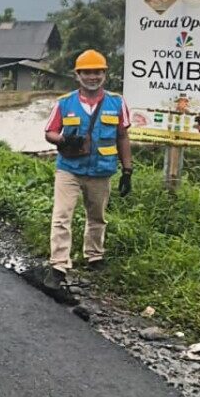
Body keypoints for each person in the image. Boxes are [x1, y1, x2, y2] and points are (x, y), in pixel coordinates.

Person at [42, 50, 133, 288]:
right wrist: (62, 140)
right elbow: (49, 131)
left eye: (97, 72)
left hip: (102, 170)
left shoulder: (116, 102)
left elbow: (123, 136)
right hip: (69, 170)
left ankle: (94, 256)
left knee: (97, 217)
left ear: (104, 74)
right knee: (62, 216)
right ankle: (59, 265)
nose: (92, 77)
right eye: (87, 72)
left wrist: (127, 170)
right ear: (77, 75)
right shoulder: (64, 103)